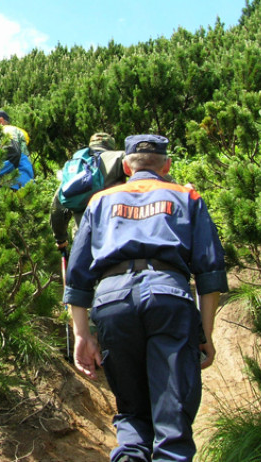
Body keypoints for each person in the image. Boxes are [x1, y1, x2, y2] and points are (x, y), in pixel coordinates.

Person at [64, 134, 228, 462]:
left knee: (132, 415)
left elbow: (78, 278)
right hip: (169, 297)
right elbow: (210, 276)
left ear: (126, 166)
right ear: (166, 165)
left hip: (112, 302)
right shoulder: (187, 196)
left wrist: (82, 335)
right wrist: (205, 335)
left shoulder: (100, 200)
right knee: (172, 421)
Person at [50, 132, 126, 251]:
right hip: (115, 235)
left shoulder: (76, 165)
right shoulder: (119, 157)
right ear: (111, 146)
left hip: (83, 238)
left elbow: (58, 208)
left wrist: (60, 239)